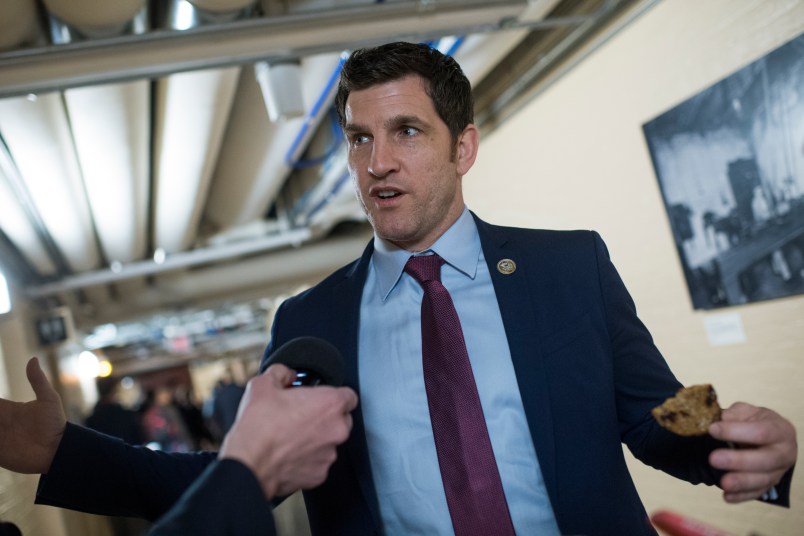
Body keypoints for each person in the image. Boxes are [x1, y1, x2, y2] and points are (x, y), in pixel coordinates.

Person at [0, 42, 797, 535]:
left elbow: (655, 424)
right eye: (359, 138)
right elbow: (242, 474)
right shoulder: (311, 323)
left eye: (407, 132)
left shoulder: (570, 269)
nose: (377, 161)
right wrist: (62, 452)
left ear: (465, 147)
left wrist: (750, 454)